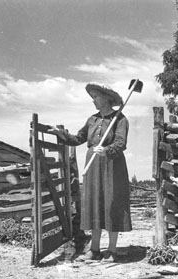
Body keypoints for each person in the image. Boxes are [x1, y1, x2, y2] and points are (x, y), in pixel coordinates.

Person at [49, 83, 132, 263]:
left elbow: (121, 143)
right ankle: (94, 250)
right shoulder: (92, 120)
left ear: (106, 98)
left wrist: (107, 150)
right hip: (93, 164)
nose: (93, 100)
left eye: (95, 97)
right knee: (95, 204)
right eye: (92, 97)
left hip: (112, 165)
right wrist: (61, 134)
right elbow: (78, 138)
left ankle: (111, 250)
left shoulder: (120, 119)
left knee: (111, 204)